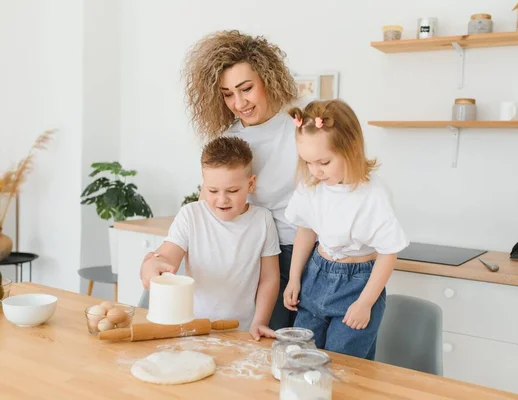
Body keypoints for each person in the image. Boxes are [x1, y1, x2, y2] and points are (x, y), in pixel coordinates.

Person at [183, 30, 300, 330]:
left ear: (267, 78)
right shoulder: (230, 139)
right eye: (227, 94)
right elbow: (208, 204)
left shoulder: (299, 125)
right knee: (263, 345)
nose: (239, 102)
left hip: (304, 252)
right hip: (255, 256)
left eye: (246, 88)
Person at [282, 99, 410, 360]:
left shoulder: (373, 194)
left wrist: (365, 303)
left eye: (324, 162)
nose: (315, 171)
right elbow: (306, 230)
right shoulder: (312, 185)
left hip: (358, 286)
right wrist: (295, 278)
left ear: (350, 149)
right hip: (316, 276)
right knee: (299, 358)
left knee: (343, 366)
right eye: (307, 162)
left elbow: (388, 254)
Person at [140, 136, 280, 341]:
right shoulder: (191, 215)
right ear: (203, 184)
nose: (222, 199)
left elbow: (269, 278)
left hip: (241, 331)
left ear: (251, 184)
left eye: (232, 191)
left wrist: (260, 322)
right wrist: (152, 265)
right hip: (192, 327)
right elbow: (167, 256)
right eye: (212, 190)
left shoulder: (262, 220)